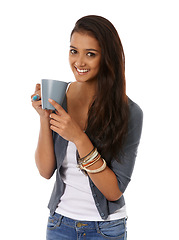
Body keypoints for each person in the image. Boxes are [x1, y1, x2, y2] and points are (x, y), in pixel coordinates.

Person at [31, 15, 143, 240]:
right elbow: (45, 171)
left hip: (105, 229)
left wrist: (79, 138)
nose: (79, 62)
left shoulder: (129, 112)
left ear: (107, 58)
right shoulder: (60, 97)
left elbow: (113, 191)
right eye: (74, 51)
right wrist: (45, 118)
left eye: (90, 54)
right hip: (59, 223)